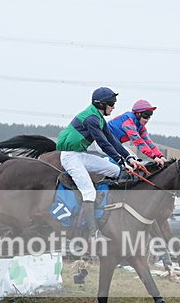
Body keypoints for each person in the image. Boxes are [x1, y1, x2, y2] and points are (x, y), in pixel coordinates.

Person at [56, 87, 138, 238]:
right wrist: (121, 160)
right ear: (101, 104)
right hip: (70, 157)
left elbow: (112, 140)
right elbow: (104, 143)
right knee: (89, 192)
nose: (114, 106)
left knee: (114, 170)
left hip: (80, 155)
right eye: (111, 103)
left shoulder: (99, 118)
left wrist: (128, 157)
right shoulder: (91, 119)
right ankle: (93, 234)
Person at [107, 99, 167, 166]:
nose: (147, 120)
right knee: (123, 162)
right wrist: (154, 157)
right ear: (138, 114)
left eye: (149, 117)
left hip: (116, 144)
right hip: (104, 141)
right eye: (145, 116)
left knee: (134, 158)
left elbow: (149, 143)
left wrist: (160, 156)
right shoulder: (128, 122)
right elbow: (139, 142)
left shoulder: (141, 127)